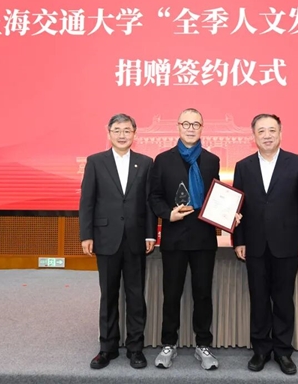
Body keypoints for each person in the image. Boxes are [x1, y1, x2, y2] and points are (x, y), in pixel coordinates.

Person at [232, 113, 298, 375]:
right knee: (258, 299)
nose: (267, 135)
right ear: (254, 136)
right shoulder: (243, 166)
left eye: (271, 130)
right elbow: (238, 207)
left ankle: (282, 351)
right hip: (254, 244)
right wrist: (238, 240)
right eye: (261, 131)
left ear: (280, 133)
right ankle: (260, 350)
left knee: (282, 299)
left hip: (287, 244)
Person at [79, 113, 157, 370]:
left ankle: (136, 348)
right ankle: (107, 347)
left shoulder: (145, 163)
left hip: (136, 238)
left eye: (127, 130)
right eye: (117, 130)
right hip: (105, 238)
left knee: (135, 295)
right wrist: (86, 235)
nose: (122, 135)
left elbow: (148, 203)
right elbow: (87, 201)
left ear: (134, 134)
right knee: (109, 294)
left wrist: (150, 234)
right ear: (109, 133)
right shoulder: (95, 162)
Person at [148, 108, 221, 370]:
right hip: (174, 238)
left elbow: (217, 197)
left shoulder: (212, 160)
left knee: (203, 294)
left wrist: (228, 213)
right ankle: (169, 343)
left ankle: (203, 345)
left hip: (203, 239)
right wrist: (168, 214)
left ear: (202, 128)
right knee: (171, 294)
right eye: (186, 124)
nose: (191, 128)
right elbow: (154, 196)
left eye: (196, 124)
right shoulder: (162, 160)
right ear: (178, 126)